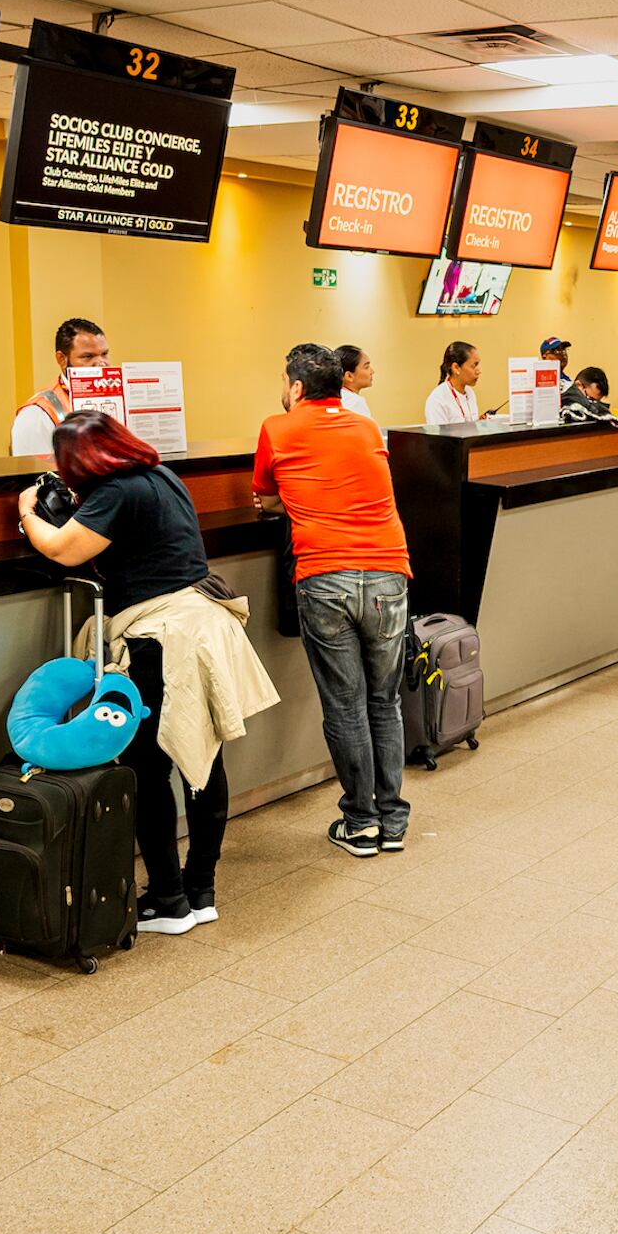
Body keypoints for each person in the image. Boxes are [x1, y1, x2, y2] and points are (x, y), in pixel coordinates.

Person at [18, 410, 276, 933]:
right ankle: (201, 891)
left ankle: (168, 899)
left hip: (161, 638)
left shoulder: (115, 492)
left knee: (148, 768)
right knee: (203, 762)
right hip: (202, 622)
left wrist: (28, 510)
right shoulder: (159, 476)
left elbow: (63, 549)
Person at [253, 344, 415, 858]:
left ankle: (361, 822)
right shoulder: (366, 428)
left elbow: (268, 497)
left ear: (296, 388)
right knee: (383, 700)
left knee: (345, 706)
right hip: (389, 574)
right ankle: (392, 819)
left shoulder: (277, 429)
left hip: (325, 576)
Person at [12, 317, 109, 456]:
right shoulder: (36, 414)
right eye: (88, 356)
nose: (101, 364)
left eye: (104, 354)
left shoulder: (120, 399)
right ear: (62, 359)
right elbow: (36, 475)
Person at [424, 341, 481, 426]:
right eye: (474, 365)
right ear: (456, 368)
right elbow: (439, 437)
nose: (479, 371)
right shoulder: (437, 399)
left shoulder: (470, 393)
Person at [336, 344, 375, 419]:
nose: (372, 371)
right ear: (349, 376)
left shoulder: (335, 397)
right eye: (366, 367)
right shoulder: (354, 402)